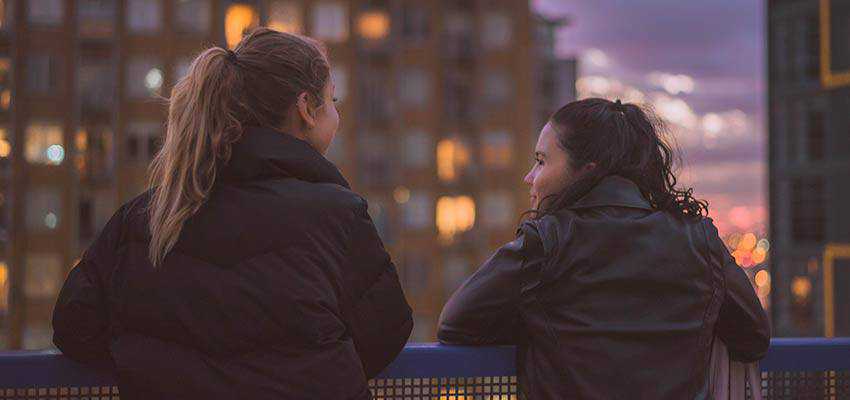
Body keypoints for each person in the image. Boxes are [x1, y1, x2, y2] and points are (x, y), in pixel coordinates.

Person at [52, 28, 412, 400]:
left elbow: (74, 325)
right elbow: (386, 332)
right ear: (306, 108)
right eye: (332, 100)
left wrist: (152, 365)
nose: (336, 112)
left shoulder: (146, 217)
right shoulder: (339, 217)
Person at [437, 98, 770, 399]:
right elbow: (752, 336)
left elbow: (456, 325)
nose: (529, 178)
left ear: (585, 172)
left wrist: (539, 325)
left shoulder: (546, 243)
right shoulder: (698, 240)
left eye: (541, 161)